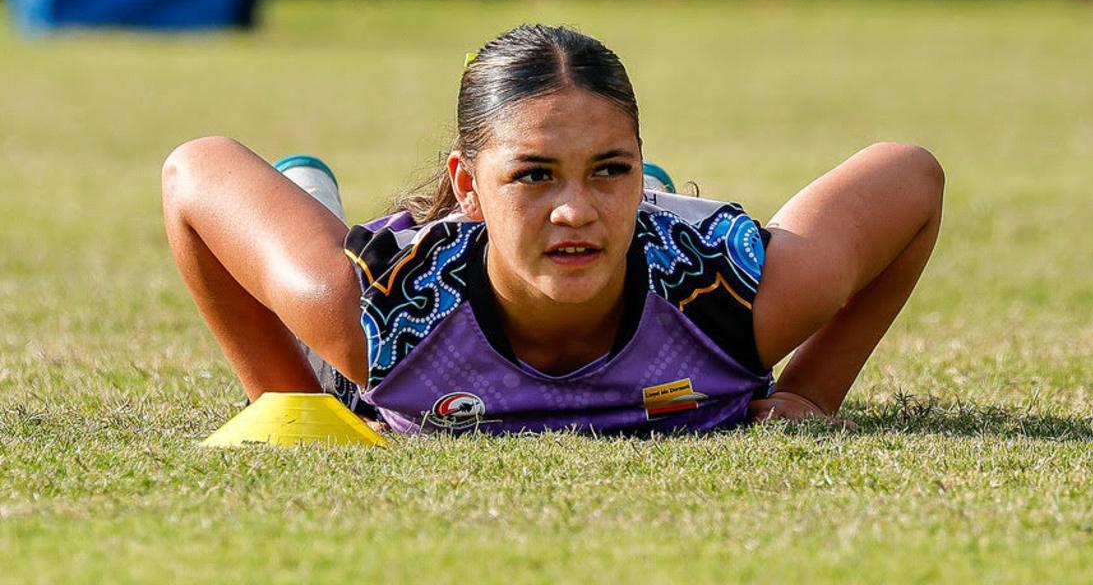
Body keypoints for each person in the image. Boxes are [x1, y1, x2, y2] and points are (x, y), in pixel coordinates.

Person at [161, 24, 944, 435]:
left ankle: (645, 196)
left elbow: (912, 175)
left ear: (640, 164)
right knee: (316, 277)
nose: (573, 207)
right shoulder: (378, 316)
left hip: (656, 245)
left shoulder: (729, 302)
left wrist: (812, 391)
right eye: (533, 174)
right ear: (467, 186)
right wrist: (289, 401)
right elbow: (194, 171)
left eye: (611, 169)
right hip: (399, 278)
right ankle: (312, 188)